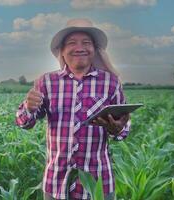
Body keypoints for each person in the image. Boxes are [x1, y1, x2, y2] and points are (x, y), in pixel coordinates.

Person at [15, 19, 131, 200]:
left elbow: (123, 128)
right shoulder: (46, 82)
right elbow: (24, 123)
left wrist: (118, 129)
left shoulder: (111, 82)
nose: (80, 47)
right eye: (72, 43)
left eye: (86, 42)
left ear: (94, 49)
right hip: (56, 181)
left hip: (98, 179)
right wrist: (28, 108)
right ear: (61, 51)